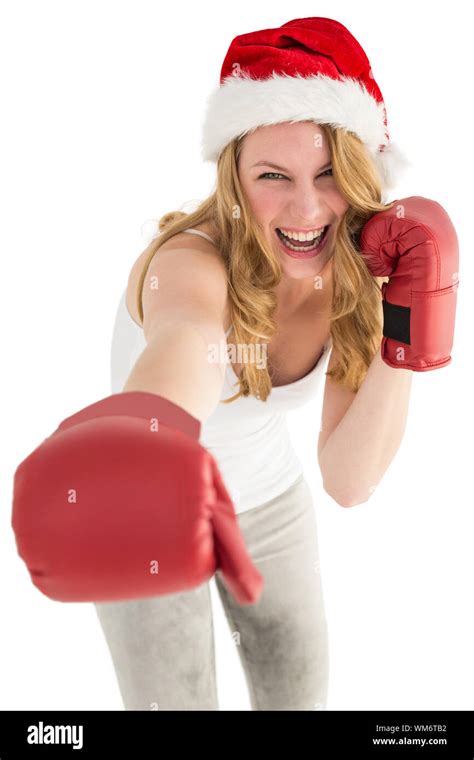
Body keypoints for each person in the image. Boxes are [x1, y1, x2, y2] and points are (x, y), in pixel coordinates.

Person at [12, 16, 458, 711]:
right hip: (150, 510)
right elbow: (187, 342)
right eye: (273, 175)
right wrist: (137, 440)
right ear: (234, 177)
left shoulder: (354, 273)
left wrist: (406, 320)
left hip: (271, 505)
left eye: (331, 173)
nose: (307, 207)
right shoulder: (189, 263)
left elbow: (348, 480)